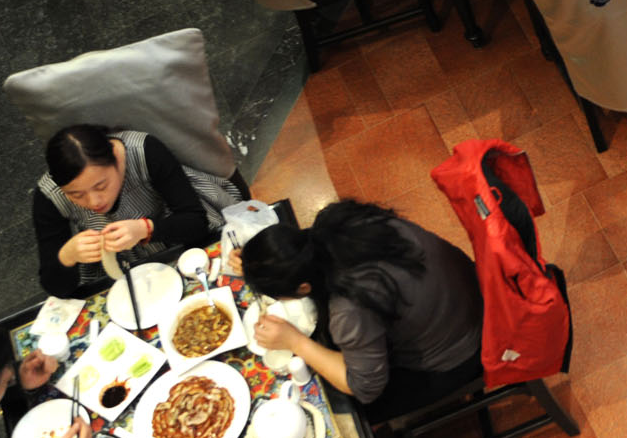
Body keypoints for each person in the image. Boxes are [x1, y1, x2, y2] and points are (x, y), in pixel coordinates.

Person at [233, 199, 484, 422]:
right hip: (472, 293)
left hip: (460, 353)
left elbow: (364, 387)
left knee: (341, 406)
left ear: (303, 288)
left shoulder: (350, 306)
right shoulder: (339, 221)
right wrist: (259, 265)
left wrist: (295, 341)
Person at [31, 124, 223, 297]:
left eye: (101, 186)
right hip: (123, 272)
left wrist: (145, 229)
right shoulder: (49, 197)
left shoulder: (143, 151)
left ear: (116, 157)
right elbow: (55, 287)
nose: (94, 202)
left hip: (180, 242)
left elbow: (196, 222)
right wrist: (67, 256)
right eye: (76, 195)